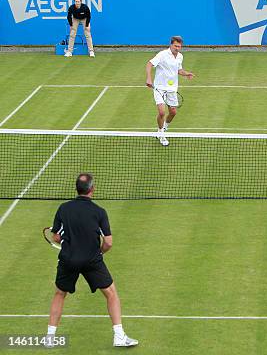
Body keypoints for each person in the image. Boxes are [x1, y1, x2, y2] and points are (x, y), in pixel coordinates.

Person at [45, 173, 138, 347]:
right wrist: (100, 253)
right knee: (111, 294)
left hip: (68, 259)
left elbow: (56, 237)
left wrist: (67, 239)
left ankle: (50, 338)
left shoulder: (63, 208)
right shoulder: (99, 212)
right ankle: (119, 336)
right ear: (92, 189)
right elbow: (108, 243)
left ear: (76, 189)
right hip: (91, 260)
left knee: (59, 294)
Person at [145, 36, 195, 146]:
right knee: (162, 112)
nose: (178, 48)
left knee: (173, 112)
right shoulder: (162, 55)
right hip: (159, 88)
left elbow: (179, 70)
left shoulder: (180, 57)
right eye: (176, 46)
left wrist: (187, 74)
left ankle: (164, 127)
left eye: (179, 46)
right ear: (171, 45)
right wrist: (148, 78)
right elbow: (149, 64)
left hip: (172, 89)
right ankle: (161, 133)